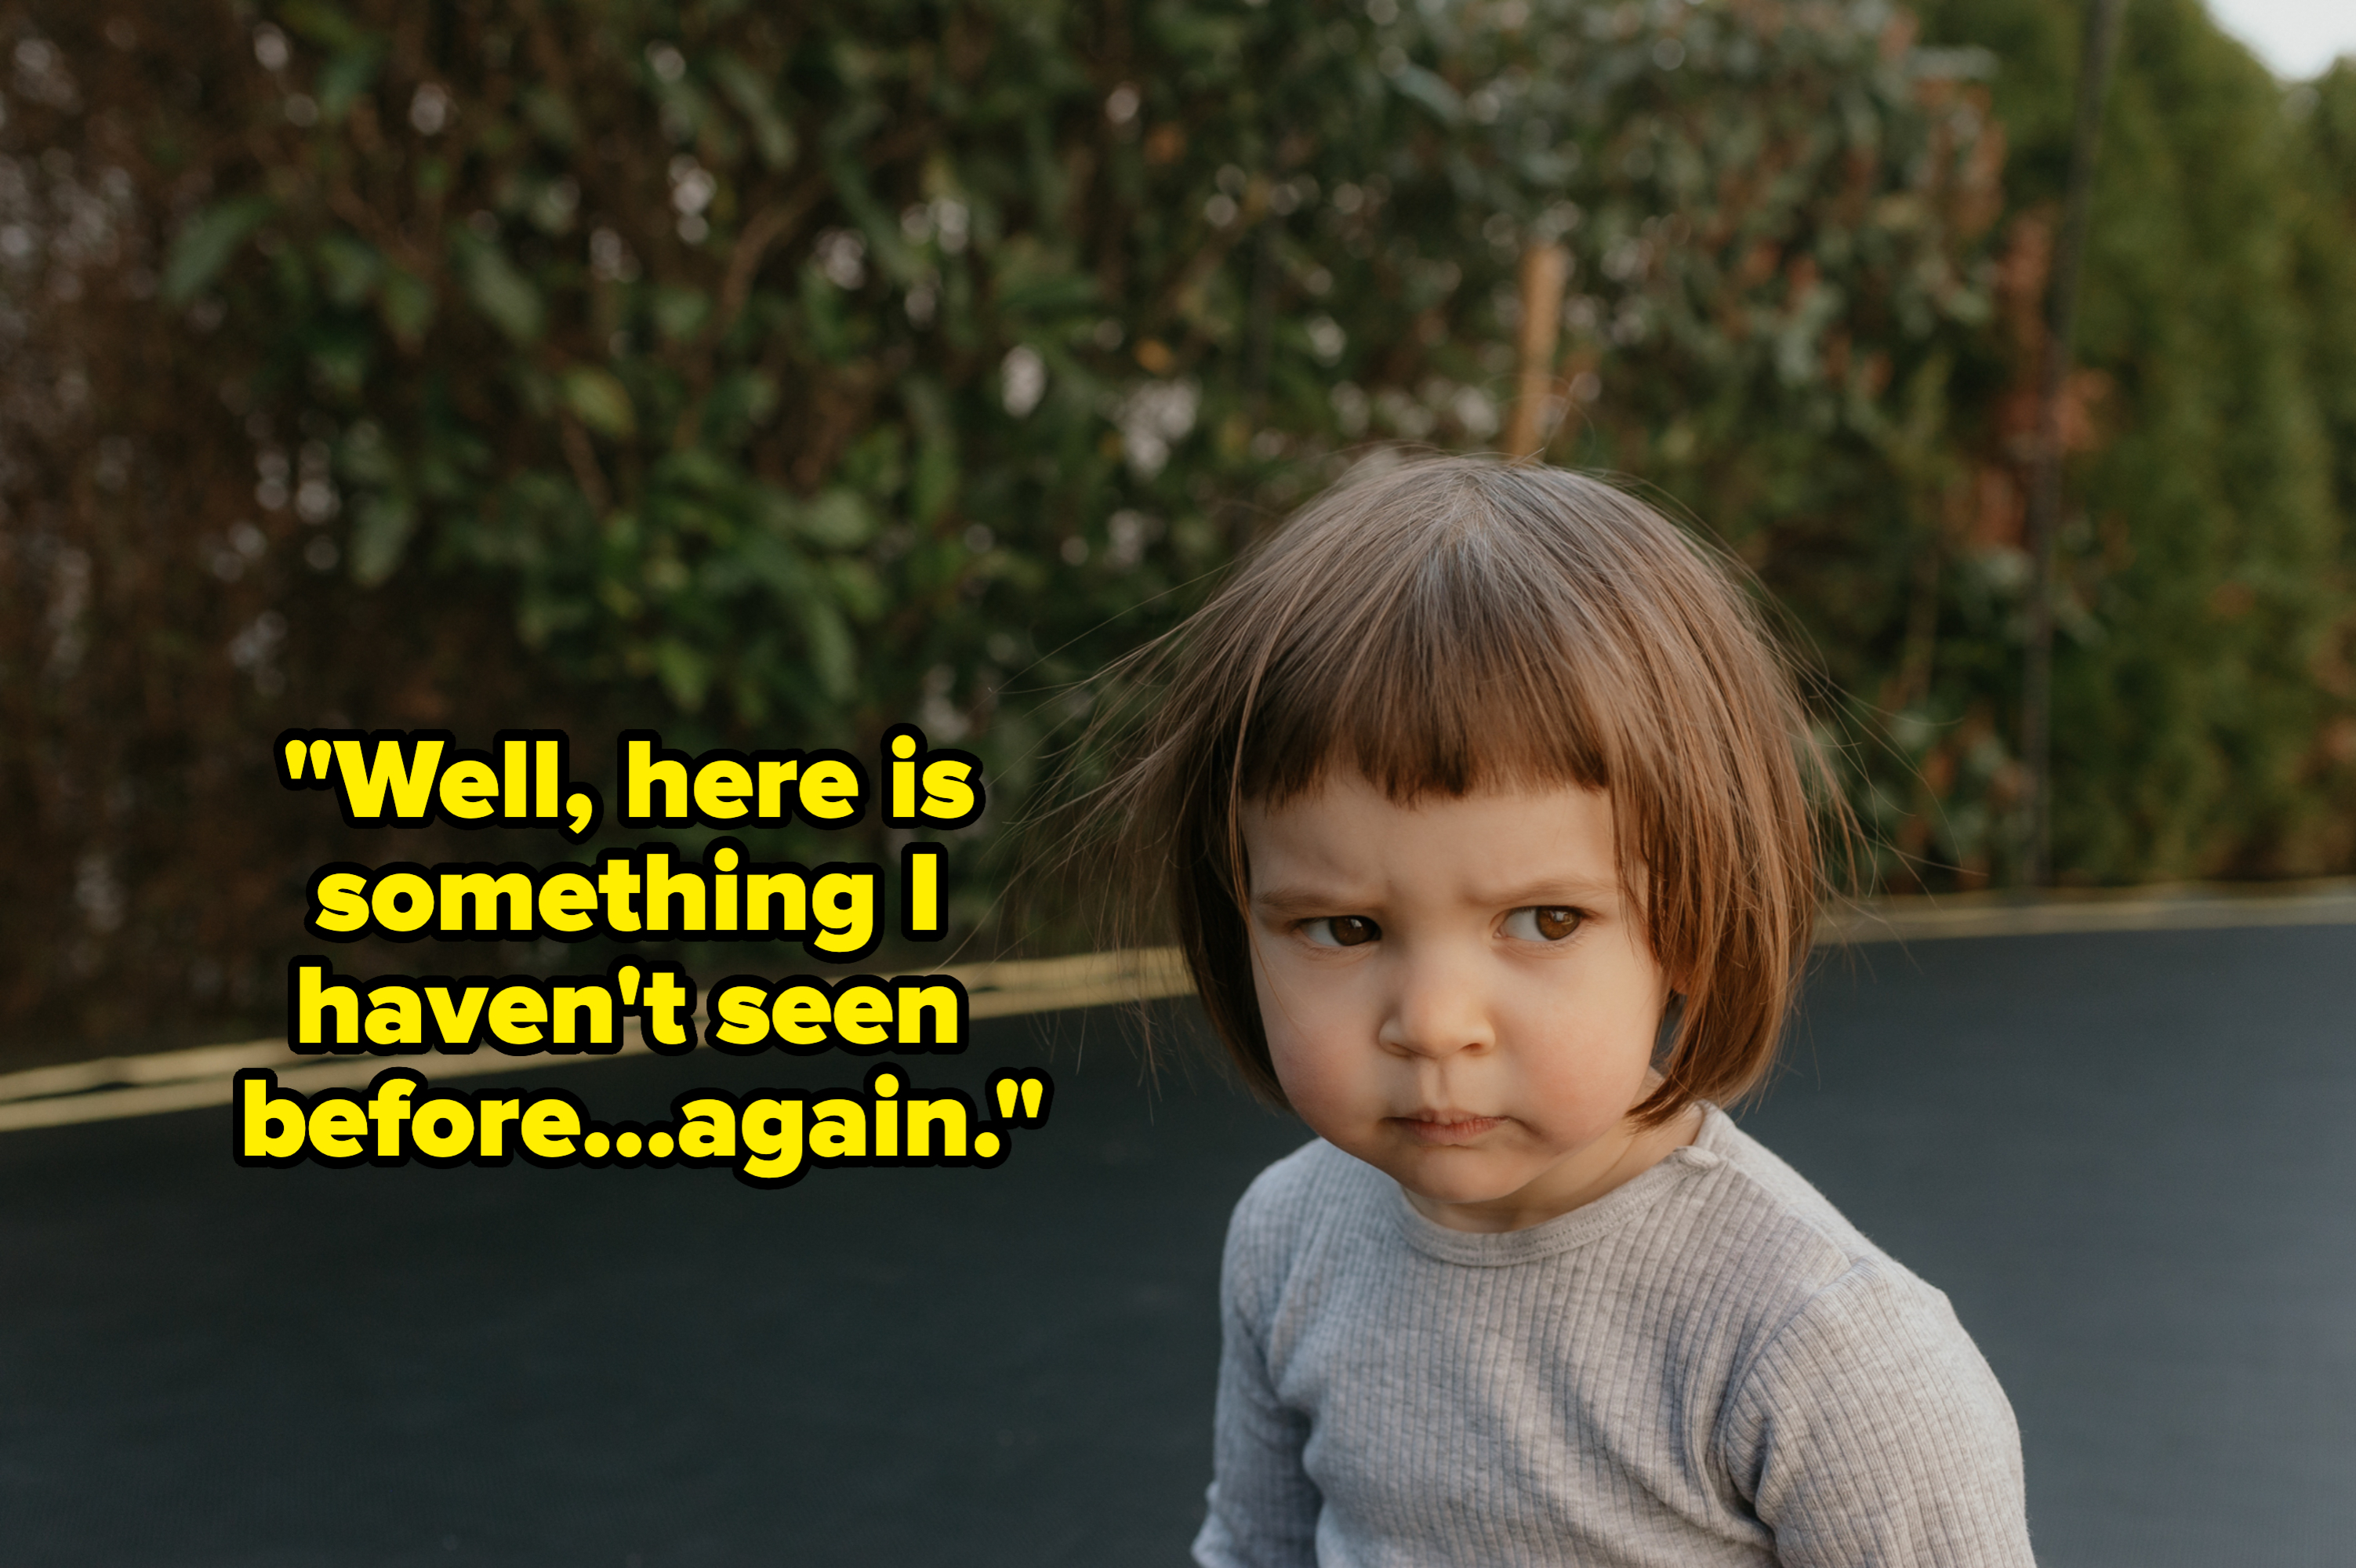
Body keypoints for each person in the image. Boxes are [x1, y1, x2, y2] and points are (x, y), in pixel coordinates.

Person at [1076, 456, 2035, 1566]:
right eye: (1343, 928)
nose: (1435, 1024)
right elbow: (1255, 1550)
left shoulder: (1823, 1353)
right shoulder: (1286, 1241)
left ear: (1691, 921)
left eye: (1542, 920)